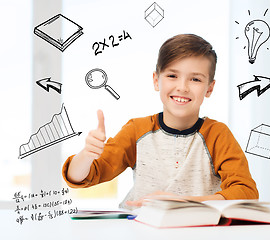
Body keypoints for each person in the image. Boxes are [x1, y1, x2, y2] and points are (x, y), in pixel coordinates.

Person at [62, 33, 259, 209]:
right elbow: (79, 177)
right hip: (139, 229)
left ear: (209, 88)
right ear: (157, 81)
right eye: (172, 75)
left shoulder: (217, 134)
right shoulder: (136, 130)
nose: (182, 87)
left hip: (197, 232)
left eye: (195, 79)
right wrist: (87, 155)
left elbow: (247, 193)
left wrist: (183, 203)